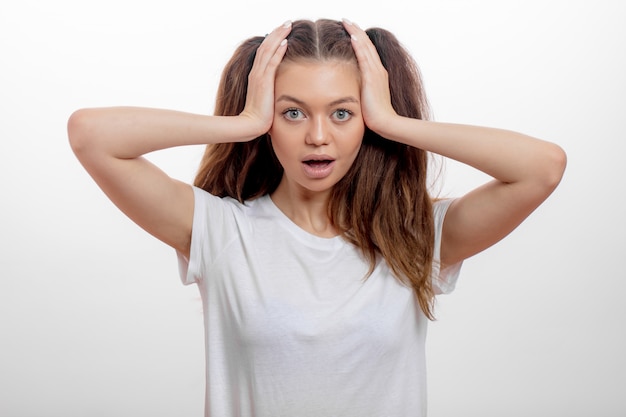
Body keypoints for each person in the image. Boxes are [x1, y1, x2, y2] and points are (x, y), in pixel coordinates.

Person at [67, 18, 566, 417]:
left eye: (343, 113)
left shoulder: (415, 237)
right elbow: (91, 134)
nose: (318, 137)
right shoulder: (219, 231)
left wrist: (391, 121)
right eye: (293, 113)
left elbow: (542, 168)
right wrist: (241, 123)